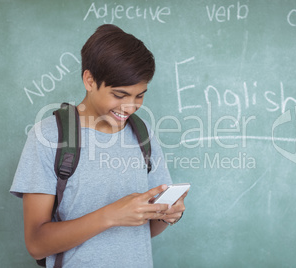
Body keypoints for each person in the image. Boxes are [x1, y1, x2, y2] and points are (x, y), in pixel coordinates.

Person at [10, 24, 188, 268]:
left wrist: (167, 216)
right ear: (89, 80)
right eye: (119, 95)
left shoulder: (143, 133)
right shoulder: (49, 136)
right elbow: (36, 244)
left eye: (140, 95)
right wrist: (111, 215)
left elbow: (144, 232)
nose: (130, 107)